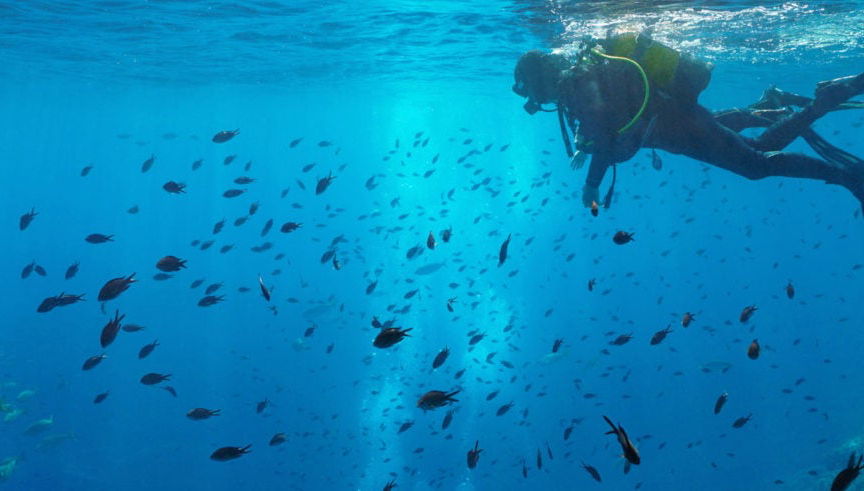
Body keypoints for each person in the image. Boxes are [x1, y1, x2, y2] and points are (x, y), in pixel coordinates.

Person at [512, 32, 864, 211]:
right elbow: (605, 127)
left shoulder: (575, 88)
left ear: (541, 80)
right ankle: (778, 105)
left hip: (681, 127)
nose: (537, 102)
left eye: (533, 93)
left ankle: (845, 164)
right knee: (753, 148)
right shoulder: (582, 77)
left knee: (756, 163)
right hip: (678, 123)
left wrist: (591, 186)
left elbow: (605, 143)